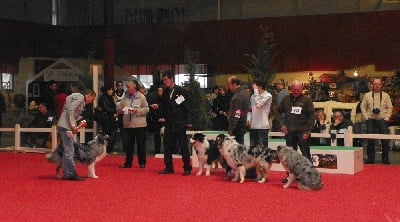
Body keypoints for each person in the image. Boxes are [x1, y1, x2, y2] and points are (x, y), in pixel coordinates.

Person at [57, 89, 96, 181]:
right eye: (92, 98)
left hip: (64, 125)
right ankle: (70, 173)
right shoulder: (80, 97)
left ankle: (67, 172)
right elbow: (71, 110)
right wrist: (74, 125)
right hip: (66, 126)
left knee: (67, 149)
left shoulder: (74, 97)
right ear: (89, 95)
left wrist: (79, 122)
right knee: (69, 150)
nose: (92, 101)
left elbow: (70, 111)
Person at [158, 71, 192, 176]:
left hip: (180, 122)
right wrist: (160, 113)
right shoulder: (165, 92)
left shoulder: (180, 91)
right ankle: (169, 167)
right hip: (169, 122)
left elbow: (186, 106)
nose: (165, 82)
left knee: (183, 146)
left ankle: (187, 167)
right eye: (163, 80)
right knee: (167, 145)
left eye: (166, 80)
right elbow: (164, 106)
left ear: (171, 79)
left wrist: (189, 121)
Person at [278, 80, 315, 162]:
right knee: (290, 156)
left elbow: (312, 117)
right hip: (290, 132)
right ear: (291, 89)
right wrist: (282, 124)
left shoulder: (307, 100)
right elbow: (279, 112)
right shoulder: (286, 99)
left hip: (303, 132)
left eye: (298, 90)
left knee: (306, 155)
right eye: (294, 89)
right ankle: (291, 174)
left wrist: (307, 131)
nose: (296, 91)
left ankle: (310, 174)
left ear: (302, 89)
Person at [361, 78, 393, 164]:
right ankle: (371, 158)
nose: (377, 85)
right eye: (375, 84)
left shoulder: (386, 95)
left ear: (381, 85)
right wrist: (366, 117)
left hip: (382, 119)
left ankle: (385, 159)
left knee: (385, 140)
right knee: (370, 140)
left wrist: (387, 118)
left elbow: (390, 107)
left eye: (378, 84)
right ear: (372, 85)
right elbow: (362, 106)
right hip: (370, 119)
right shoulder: (367, 95)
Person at [118, 80, 149, 168]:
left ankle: (142, 163)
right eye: (127, 87)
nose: (127, 89)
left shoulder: (141, 97)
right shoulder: (125, 97)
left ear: (135, 86)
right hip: (127, 125)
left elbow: (147, 109)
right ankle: (128, 163)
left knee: (141, 145)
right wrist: (121, 110)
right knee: (128, 145)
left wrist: (136, 111)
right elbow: (119, 108)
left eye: (129, 87)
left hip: (140, 125)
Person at [247, 80, 272, 148]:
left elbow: (259, 104)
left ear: (260, 87)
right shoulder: (253, 96)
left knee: (263, 150)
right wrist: (248, 119)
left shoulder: (268, 96)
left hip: (262, 127)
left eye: (255, 87)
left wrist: (255, 91)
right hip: (253, 126)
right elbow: (250, 109)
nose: (253, 89)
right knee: (252, 149)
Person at [226, 76, 250, 145]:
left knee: (236, 147)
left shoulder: (238, 96)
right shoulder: (244, 93)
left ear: (234, 84)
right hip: (241, 124)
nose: (228, 88)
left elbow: (237, 113)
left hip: (237, 126)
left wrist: (231, 128)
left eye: (229, 85)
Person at [97, 86, 117, 153]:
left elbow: (113, 107)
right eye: (109, 90)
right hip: (106, 118)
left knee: (112, 134)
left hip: (111, 118)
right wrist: (113, 112)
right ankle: (106, 149)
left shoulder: (111, 98)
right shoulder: (103, 98)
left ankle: (109, 149)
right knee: (107, 134)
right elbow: (106, 108)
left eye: (112, 90)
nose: (111, 91)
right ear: (106, 91)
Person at [147, 85, 166, 154]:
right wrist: (158, 118)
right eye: (158, 91)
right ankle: (157, 151)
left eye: (161, 91)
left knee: (166, 137)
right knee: (157, 136)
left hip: (165, 120)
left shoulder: (166, 99)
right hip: (157, 120)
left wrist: (165, 118)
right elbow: (152, 111)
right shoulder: (154, 99)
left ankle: (167, 151)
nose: (159, 92)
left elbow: (168, 110)